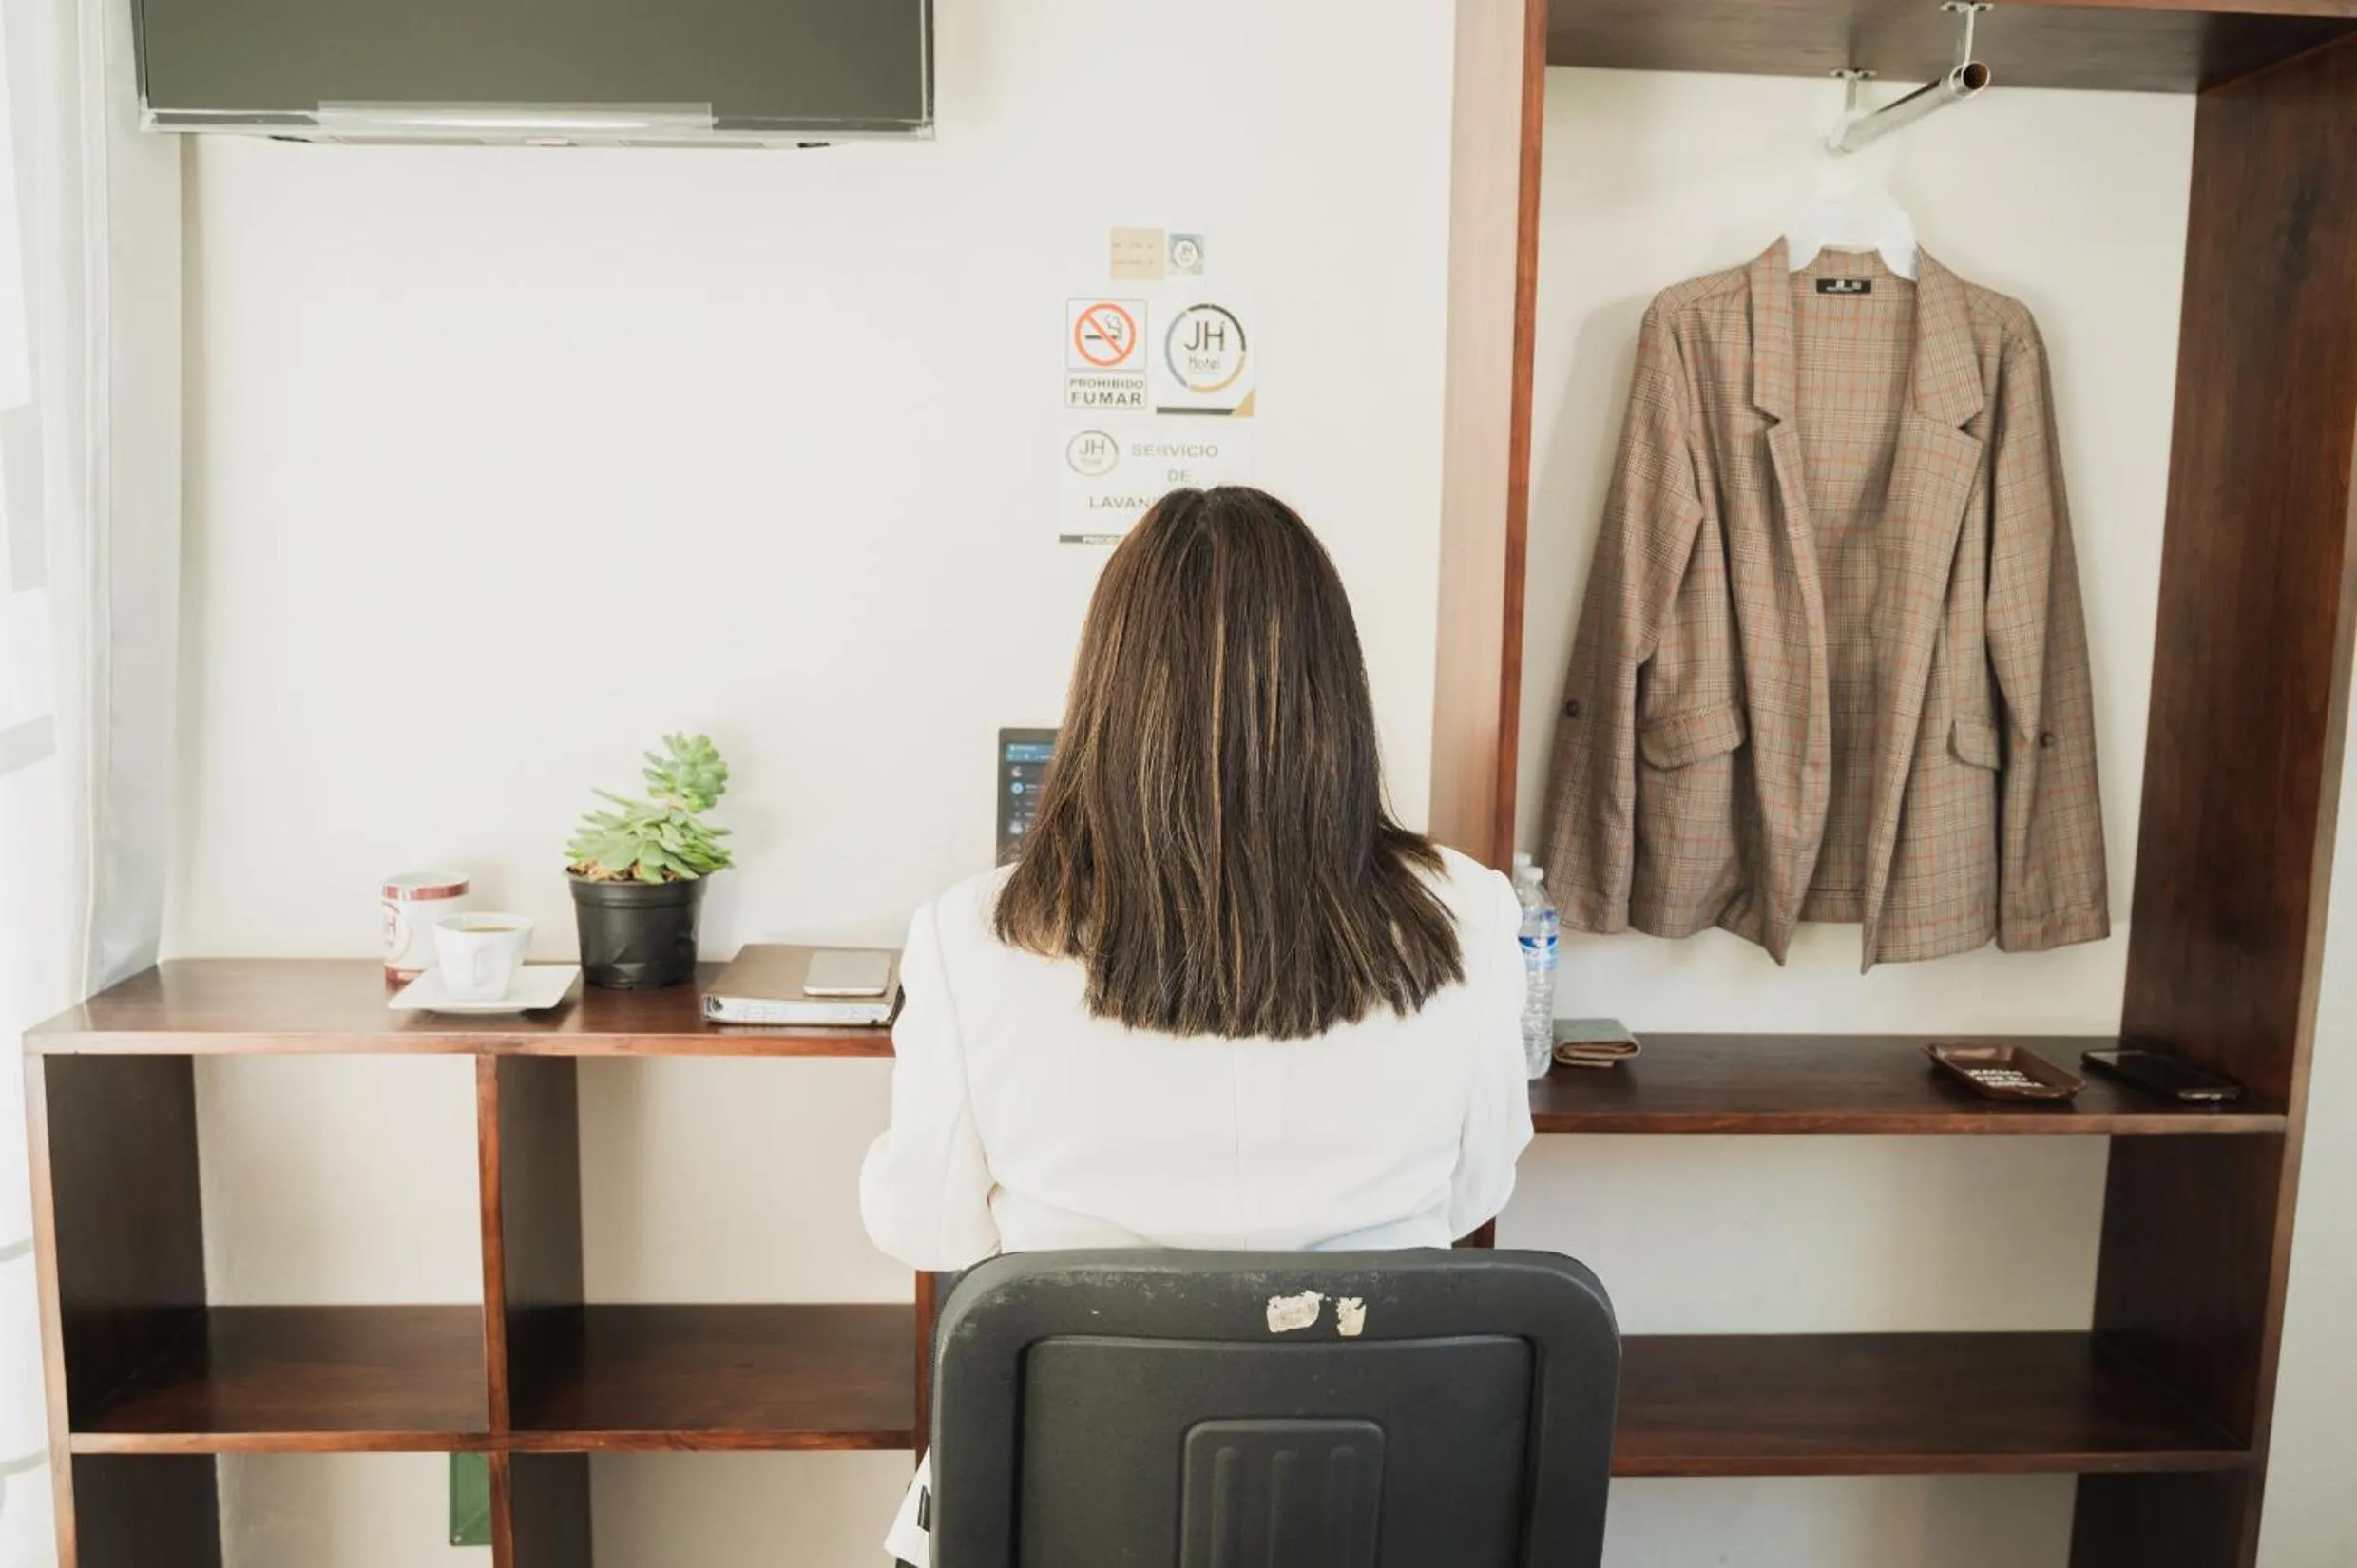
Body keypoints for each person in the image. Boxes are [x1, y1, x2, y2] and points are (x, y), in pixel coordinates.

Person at [859, 485, 1535, 1564]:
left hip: (1064, 1514)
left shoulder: (975, 931)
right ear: (1333, 689)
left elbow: (930, 1232)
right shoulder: (1470, 911)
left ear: (1108, 687)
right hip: (1367, 1515)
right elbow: (1473, 1195)